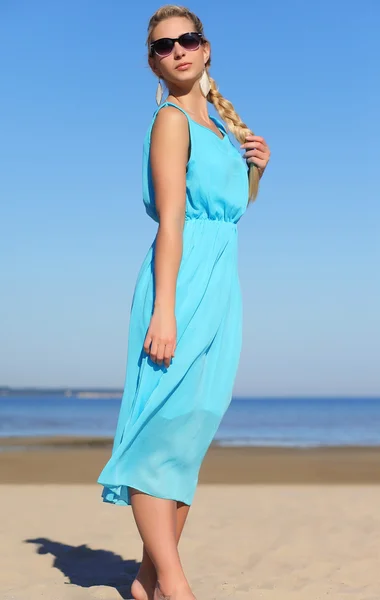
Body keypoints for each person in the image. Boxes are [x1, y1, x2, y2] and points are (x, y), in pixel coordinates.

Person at [97, 5, 270, 600]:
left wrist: (256, 174)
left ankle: (146, 580)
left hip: (222, 284)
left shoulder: (222, 130)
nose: (177, 51)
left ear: (207, 47)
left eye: (187, 40)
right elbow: (173, 223)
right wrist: (164, 310)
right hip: (181, 280)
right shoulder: (170, 120)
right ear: (153, 62)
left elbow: (232, 214)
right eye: (163, 47)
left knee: (188, 433)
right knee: (156, 431)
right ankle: (176, 584)